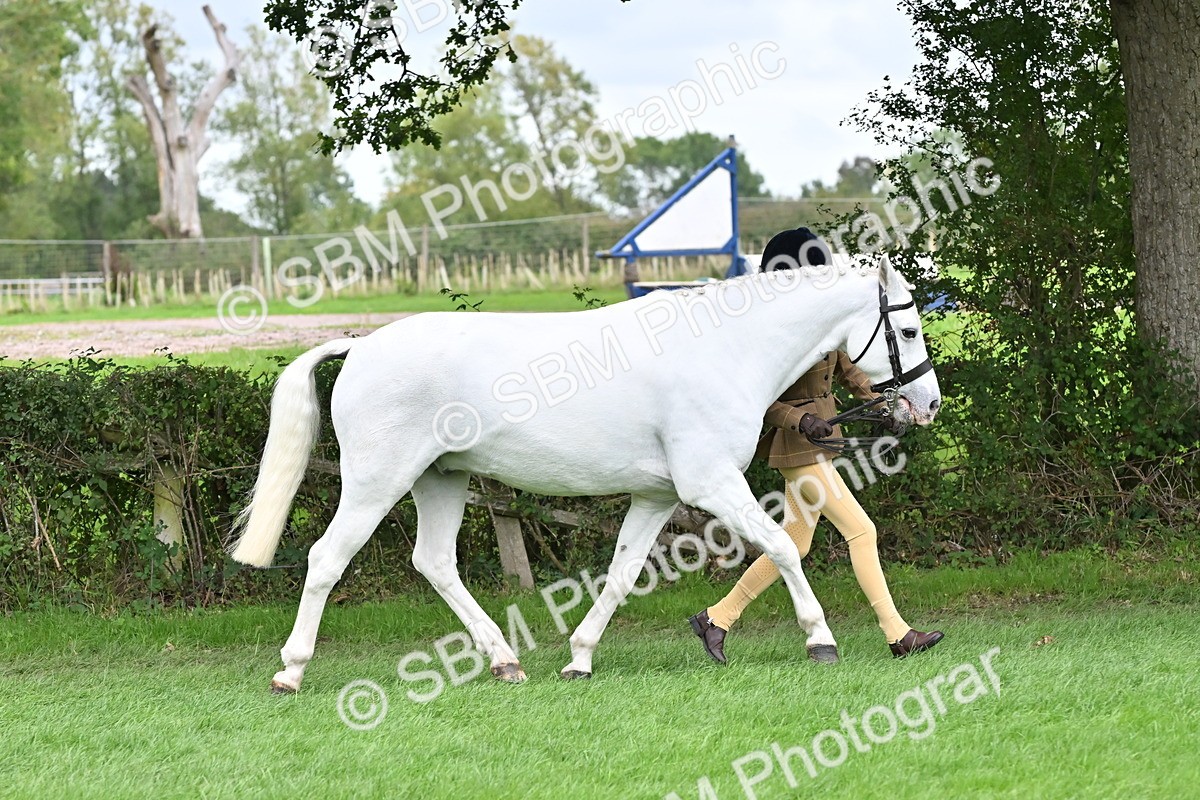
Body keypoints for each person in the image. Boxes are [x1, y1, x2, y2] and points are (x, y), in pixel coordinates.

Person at [688, 227, 944, 663]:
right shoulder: (772, 331)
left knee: (795, 542)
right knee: (862, 531)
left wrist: (890, 403)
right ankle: (896, 633)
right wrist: (800, 419)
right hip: (795, 445)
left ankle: (717, 618)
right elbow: (757, 398)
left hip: (822, 442)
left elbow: (851, 370)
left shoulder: (824, 319)